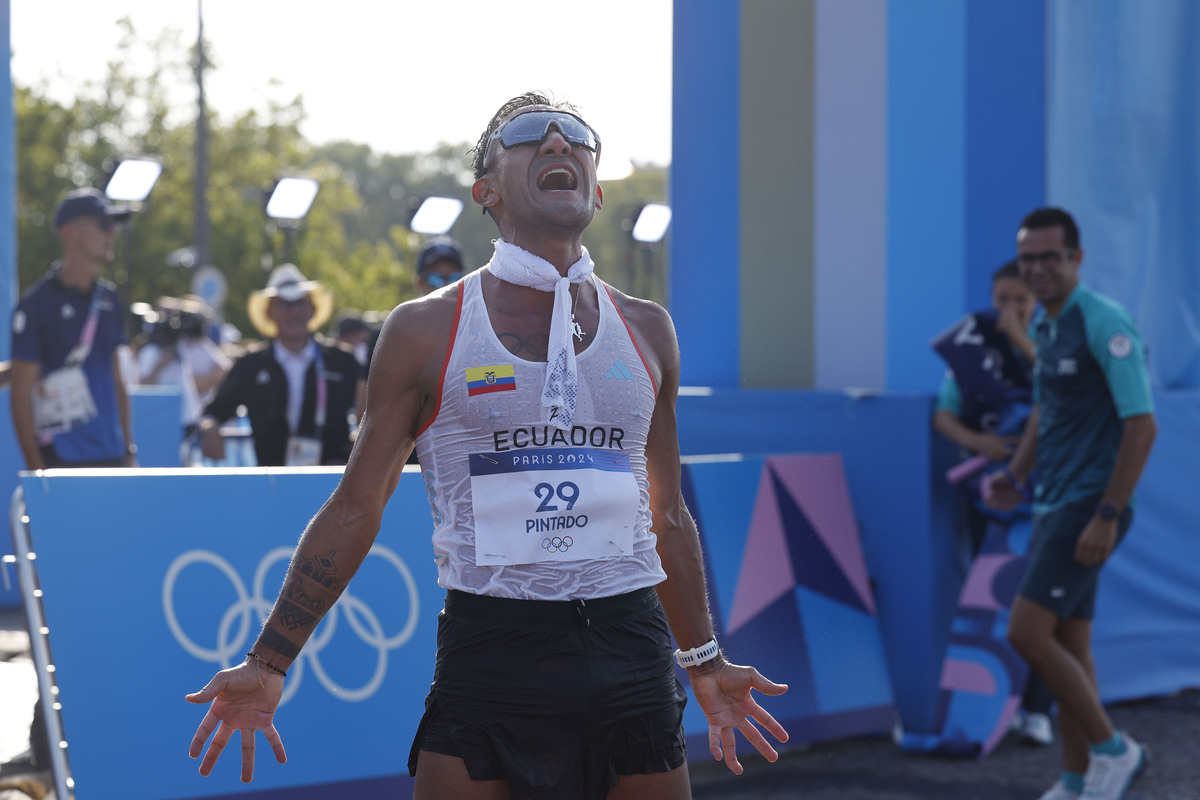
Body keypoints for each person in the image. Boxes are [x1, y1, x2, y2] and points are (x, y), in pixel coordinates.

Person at [187, 92, 789, 798]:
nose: (559, 143)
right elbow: (357, 505)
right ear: (487, 190)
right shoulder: (426, 331)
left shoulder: (650, 329)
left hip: (631, 648)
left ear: (596, 190)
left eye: (578, 136)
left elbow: (668, 515)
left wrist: (707, 660)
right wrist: (269, 659)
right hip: (495, 649)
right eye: (531, 135)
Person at [985, 208, 1156, 800]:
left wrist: (1107, 515)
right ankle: (1078, 781)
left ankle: (1117, 750)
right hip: (1054, 503)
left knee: (1027, 633)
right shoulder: (1048, 326)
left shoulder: (1103, 321)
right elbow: (1044, 410)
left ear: (1075, 260)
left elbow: (1142, 426)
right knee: (1073, 647)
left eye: (1048, 257)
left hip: (1090, 507)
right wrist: (1016, 472)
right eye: (1028, 257)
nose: (1037, 269)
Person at [932, 259, 1055, 747]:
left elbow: (1059, 390)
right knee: (991, 599)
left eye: (1019, 301)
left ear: (1035, 303)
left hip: (1044, 498)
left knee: (1040, 603)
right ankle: (984, 712)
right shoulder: (973, 351)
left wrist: (1022, 339)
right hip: (988, 497)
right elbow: (946, 413)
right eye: (1001, 299)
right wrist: (980, 445)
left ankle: (1038, 708)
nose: (1008, 309)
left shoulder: (1052, 343)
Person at [9, 187, 137, 470]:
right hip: (60, 459)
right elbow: (20, 391)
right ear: (71, 232)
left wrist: (129, 450)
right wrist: (35, 466)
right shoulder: (35, 305)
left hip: (112, 455)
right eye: (104, 225)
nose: (111, 234)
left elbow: (117, 378)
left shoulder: (110, 299)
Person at [195, 264, 364, 467]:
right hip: (272, 483)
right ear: (270, 313)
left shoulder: (342, 361)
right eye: (284, 305)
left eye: (300, 303)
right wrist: (209, 428)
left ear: (312, 309)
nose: (294, 312)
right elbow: (213, 412)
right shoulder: (251, 365)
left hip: (333, 482)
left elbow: (372, 414)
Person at [136, 295, 231, 438]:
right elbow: (141, 387)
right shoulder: (151, 351)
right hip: (159, 419)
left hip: (187, 419)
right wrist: (160, 365)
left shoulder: (182, 345)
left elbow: (224, 370)